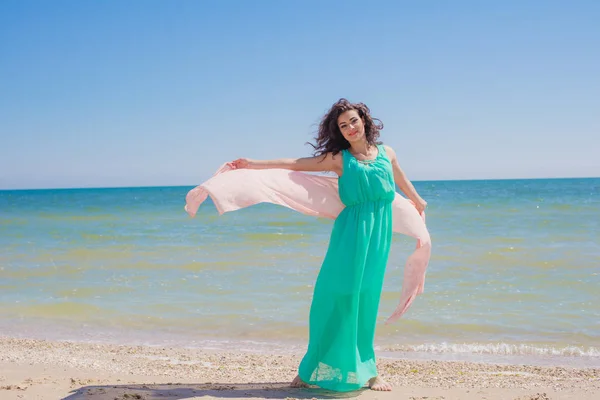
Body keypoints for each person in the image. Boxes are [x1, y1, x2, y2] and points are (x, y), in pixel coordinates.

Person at [227, 98, 428, 392]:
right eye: (343, 125)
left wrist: (418, 200)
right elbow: (296, 164)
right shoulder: (339, 159)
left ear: (364, 121)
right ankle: (312, 367)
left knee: (366, 299)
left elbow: (400, 179)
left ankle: (369, 371)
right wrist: (252, 164)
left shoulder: (387, 153)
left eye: (353, 121)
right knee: (335, 295)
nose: (350, 128)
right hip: (350, 232)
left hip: (379, 234)